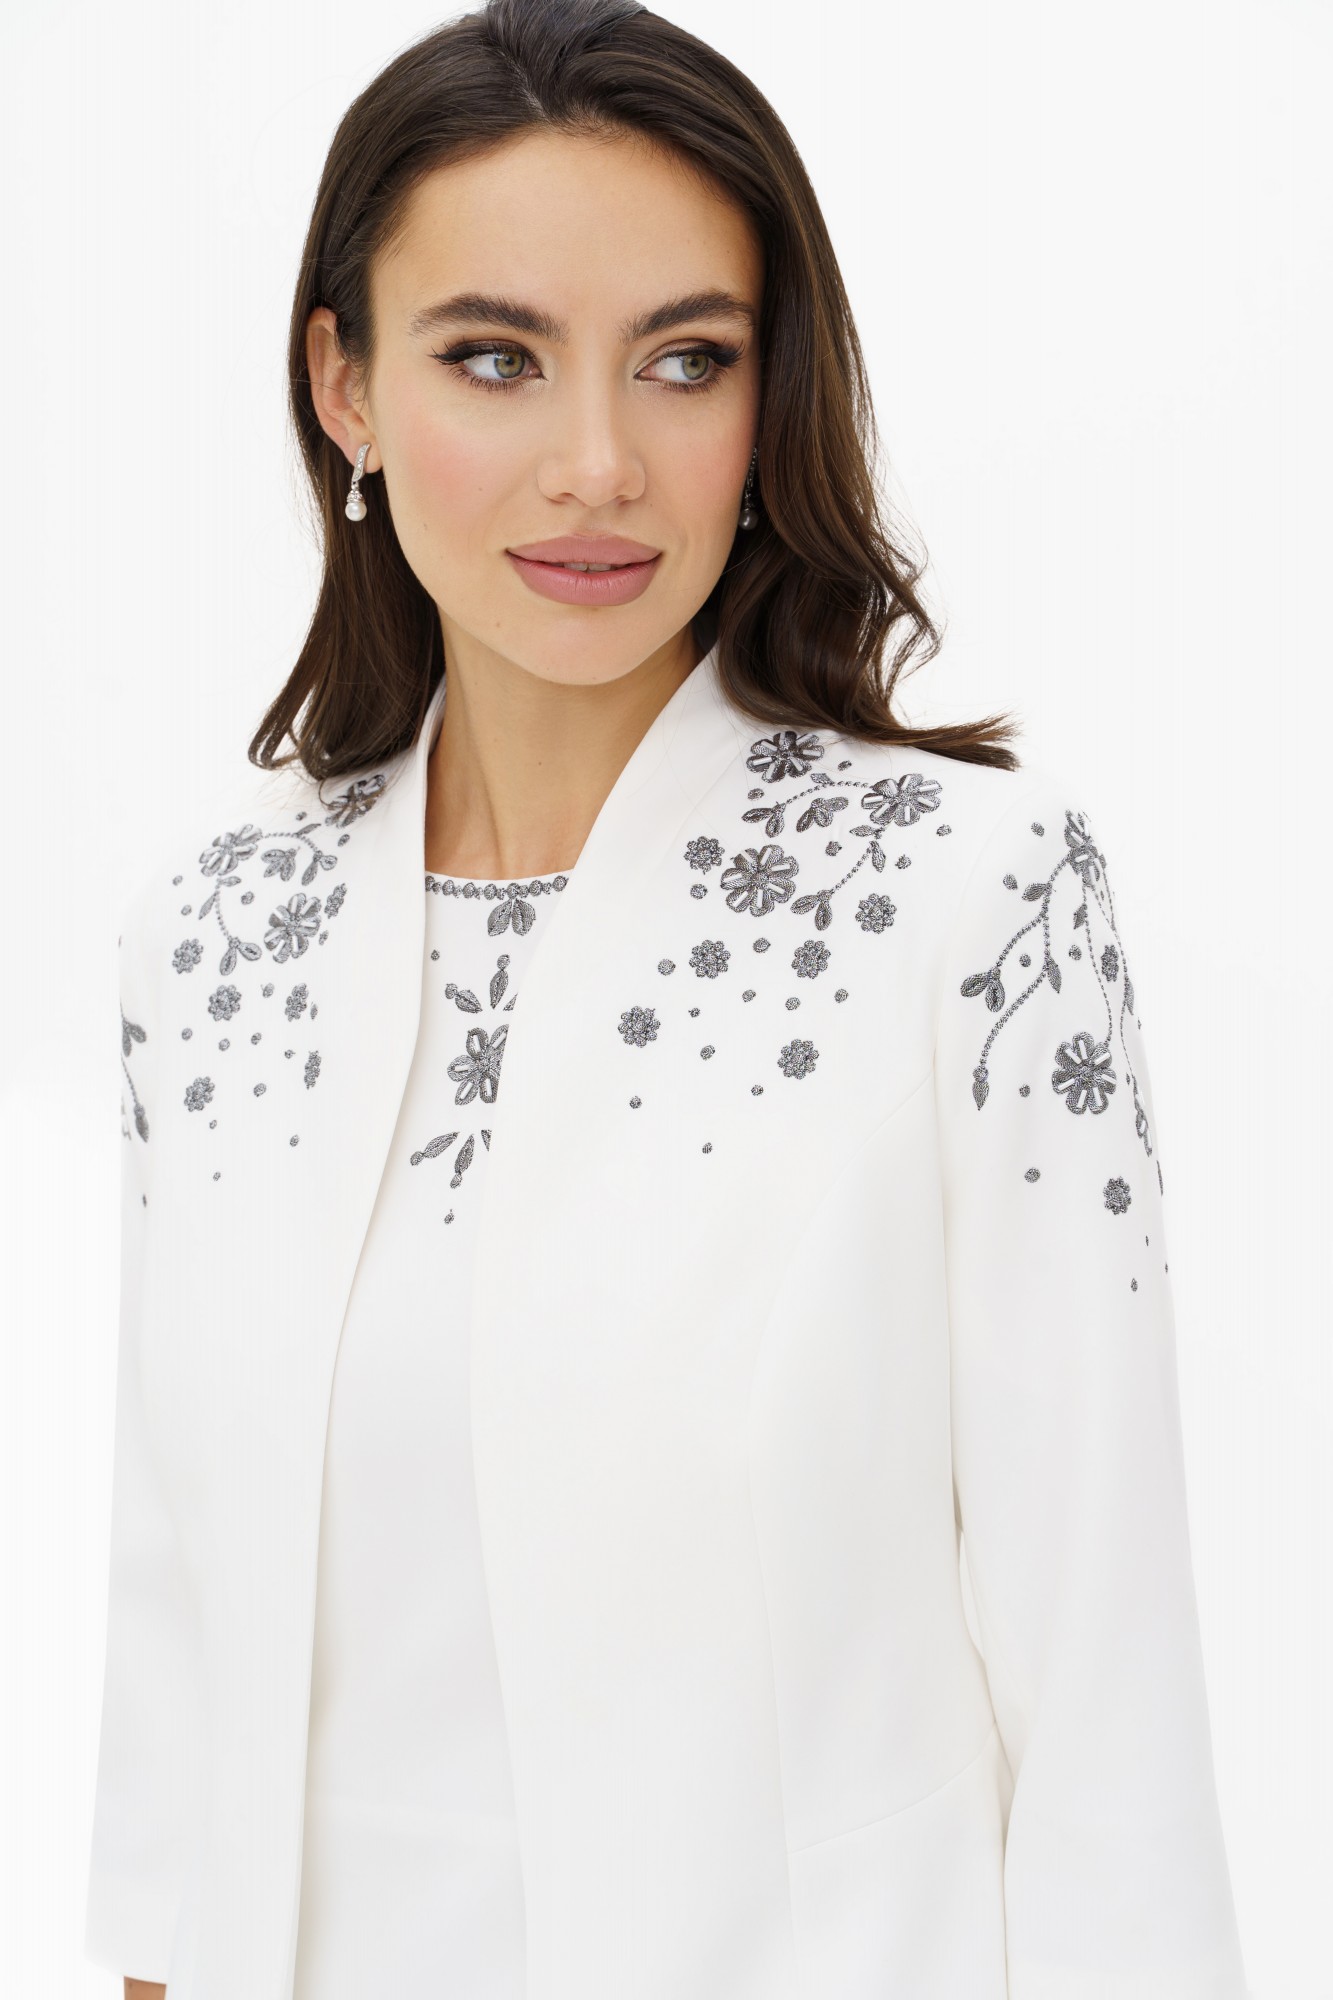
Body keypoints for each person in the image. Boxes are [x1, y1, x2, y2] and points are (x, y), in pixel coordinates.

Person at [84, 2, 1250, 1996]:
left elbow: (1101, 1674)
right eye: (494, 358)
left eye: (685, 359)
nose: (598, 466)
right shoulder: (211, 937)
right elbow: (176, 1664)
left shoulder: (966, 899)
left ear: (768, 394)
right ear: (343, 386)